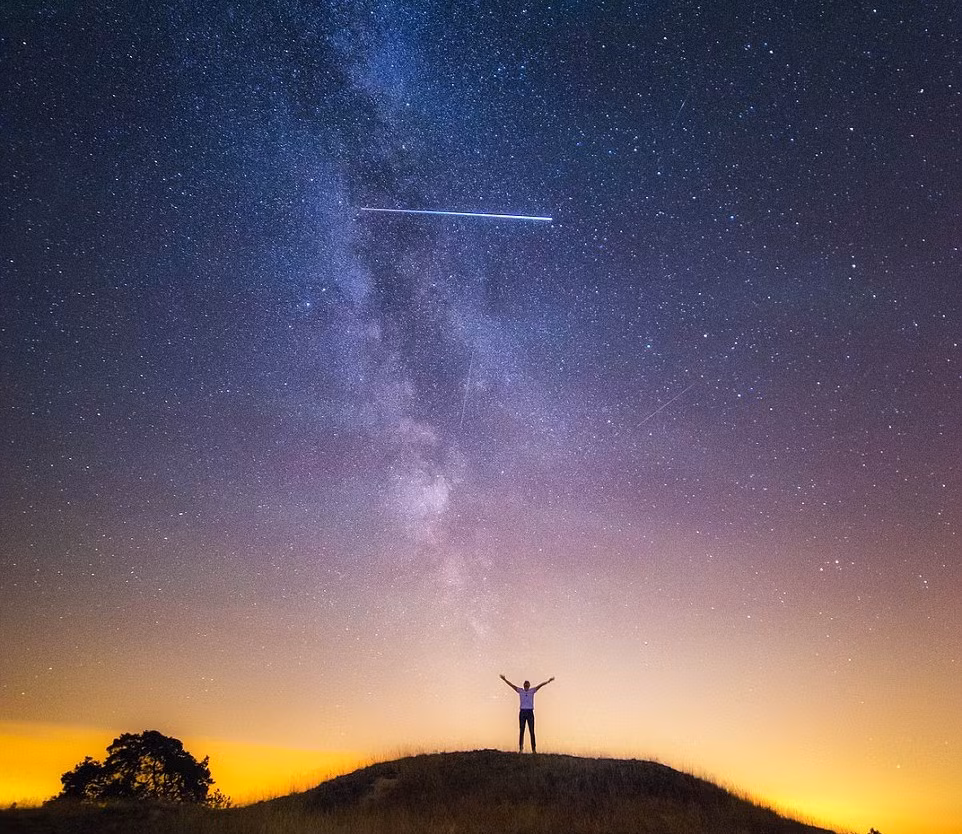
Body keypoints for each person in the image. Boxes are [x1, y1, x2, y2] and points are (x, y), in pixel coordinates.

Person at [499, 673, 554, 753]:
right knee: (522, 730)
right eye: (525, 684)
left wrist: (548, 681)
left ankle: (534, 750)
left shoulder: (532, 690)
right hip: (522, 712)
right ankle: (521, 749)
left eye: (527, 684)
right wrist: (504, 679)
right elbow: (512, 686)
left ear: (529, 685)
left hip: (530, 712)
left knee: (532, 731)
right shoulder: (520, 690)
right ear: (524, 685)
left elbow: (540, 685)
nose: (526, 686)